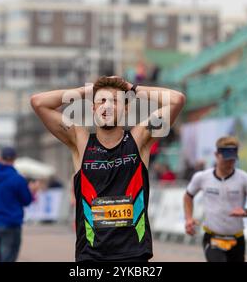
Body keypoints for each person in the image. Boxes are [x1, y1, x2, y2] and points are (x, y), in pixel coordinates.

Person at [30, 75, 185, 262]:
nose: (108, 106)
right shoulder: (80, 141)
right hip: (91, 254)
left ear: (126, 109)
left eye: (115, 101)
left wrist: (132, 88)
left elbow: (177, 100)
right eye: (102, 101)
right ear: (93, 108)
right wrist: (87, 91)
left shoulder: (140, 139)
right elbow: (38, 102)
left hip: (133, 254)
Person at [183, 136, 247, 262]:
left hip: (236, 239)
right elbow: (188, 196)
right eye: (226, 159)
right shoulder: (202, 177)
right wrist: (188, 218)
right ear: (216, 155)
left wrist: (246, 212)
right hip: (212, 238)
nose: (230, 163)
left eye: (233, 160)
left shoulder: (244, 178)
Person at [0, 147, 39, 262]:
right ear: (14, 159)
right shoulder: (17, 179)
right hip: (10, 223)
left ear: (1, 158)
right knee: (8, 257)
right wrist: (32, 191)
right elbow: (26, 200)